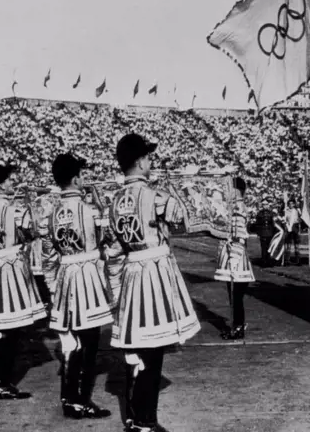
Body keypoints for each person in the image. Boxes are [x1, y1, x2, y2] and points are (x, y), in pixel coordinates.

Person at [109, 133, 201, 432]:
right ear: (140, 161)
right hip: (154, 271)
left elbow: (112, 250)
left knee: (137, 348)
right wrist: (178, 186)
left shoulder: (114, 200)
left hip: (131, 272)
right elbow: (186, 217)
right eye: (148, 158)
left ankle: (136, 416)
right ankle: (144, 420)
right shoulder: (155, 196)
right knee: (154, 347)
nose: (151, 163)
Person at [0, 163, 47, 400]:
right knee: (9, 328)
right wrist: (33, 204)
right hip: (12, 268)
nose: (13, 183)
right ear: (2, 184)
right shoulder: (14, 210)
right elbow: (36, 231)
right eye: (10, 180)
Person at [45, 153, 113, 419]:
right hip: (86, 276)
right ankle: (80, 400)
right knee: (89, 341)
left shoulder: (51, 214)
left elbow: (48, 255)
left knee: (71, 340)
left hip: (64, 275)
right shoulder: (91, 210)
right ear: (76, 178)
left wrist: (52, 284)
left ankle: (69, 396)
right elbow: (106, 240)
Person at [214, 176, 255, 340]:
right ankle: (236, 325)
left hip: (234, 253)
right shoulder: (235, 205)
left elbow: (238, 234)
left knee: (236, 295)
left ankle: (238, 327)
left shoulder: (237, 206)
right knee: (234, 295)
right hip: (232, 251)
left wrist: (234, 256)